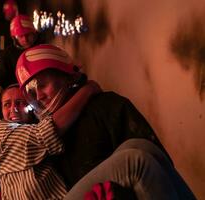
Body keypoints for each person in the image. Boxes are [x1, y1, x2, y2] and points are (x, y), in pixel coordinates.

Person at [15, 44, 196, 199]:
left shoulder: (106, 107)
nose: (38, 96)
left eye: (42, 85)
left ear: (67, 76)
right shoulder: (44, 135)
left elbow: (159, 169)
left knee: (141, 148)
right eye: (31, 93)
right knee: (137, 158)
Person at [0, 82, 102, 200]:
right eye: (7, 104)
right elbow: (43, 135)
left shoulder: (34, 124)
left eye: (20, 102)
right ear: (1, 110)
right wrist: (88, 90)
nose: (13, 109)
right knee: (123, 159)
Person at [0, 14, 43, 118]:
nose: (25, 39)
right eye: (21, 36)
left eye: (28, 34)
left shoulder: (44, 49)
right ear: (15, 37)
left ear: (34, 33)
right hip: (19, 99)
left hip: (42, 96)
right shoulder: (7, 54)